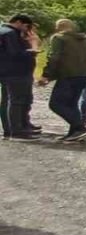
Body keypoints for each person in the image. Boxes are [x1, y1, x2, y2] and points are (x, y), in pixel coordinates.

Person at [38, 19, 86, 141]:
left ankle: (80, 128)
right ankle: (74, 133)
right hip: (83, 75)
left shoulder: (59, 38)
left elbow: (54, 57)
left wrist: (46, 75)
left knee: (56, 104)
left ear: (60, 27)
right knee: (72, 104)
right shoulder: (84, 38)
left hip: (67, 75)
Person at [0, 13, 41, 142]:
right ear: (18, 22)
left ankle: (12, 129)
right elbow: (16, 54)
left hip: (7, 71)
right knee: (16, 101)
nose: (27, 29)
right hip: (15, 72)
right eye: (26, 26)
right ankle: (16, 131)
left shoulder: (3, 31)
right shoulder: (11, 33)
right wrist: (33, 46)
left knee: (9, 100)